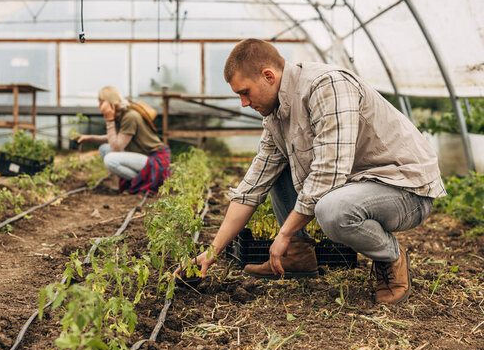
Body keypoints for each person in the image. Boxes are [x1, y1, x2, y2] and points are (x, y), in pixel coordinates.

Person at [188, 39, 446, 305]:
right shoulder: (276, 114)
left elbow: (329, 173)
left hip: (403, 187)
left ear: (268, 76)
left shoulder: (327, 86)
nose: (243, 103)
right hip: (357, 185)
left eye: (245, 92)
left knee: (332, 211)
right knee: (276, 171)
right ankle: (298, 256)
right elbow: (254, 184)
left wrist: (284, 233)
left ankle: (390, 257)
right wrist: (211, 252)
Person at [78, 86, 170, 194]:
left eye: (101, 102)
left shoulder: (129, 117)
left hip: (154, 160)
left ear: (108, 103)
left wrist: (109, 120)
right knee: (104, 149)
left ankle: (141, 180)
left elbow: (116, 147)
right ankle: (129, 181)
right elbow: (115, 139)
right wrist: (90, 138)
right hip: (142, 155)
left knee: (110, 159)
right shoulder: (120, 115)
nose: (99, 106)